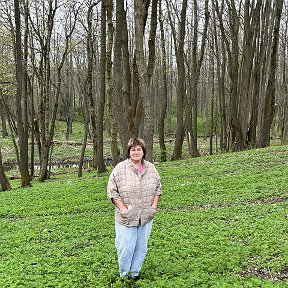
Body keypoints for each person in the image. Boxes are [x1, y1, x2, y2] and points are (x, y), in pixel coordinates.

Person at [107, 138, 162, 281]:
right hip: (126, 216)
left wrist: (153, 207)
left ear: (144, 151)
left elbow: (158, 188)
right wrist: (123, 208)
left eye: (139, 149)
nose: (136, 152)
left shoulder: (151, 168)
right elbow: (112, 190)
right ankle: (125, 275)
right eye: (133, 150)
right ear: (129, 152)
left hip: (145, 215)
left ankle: (135, 273)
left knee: (141, 247)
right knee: (126, 246)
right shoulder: (120, 168)